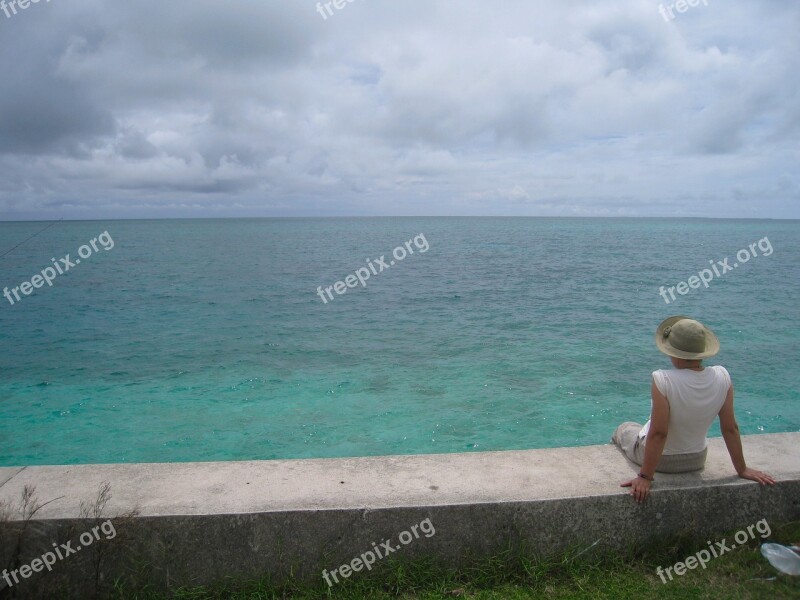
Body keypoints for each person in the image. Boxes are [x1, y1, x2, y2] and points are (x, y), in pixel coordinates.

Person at [612, 316, 775, 503]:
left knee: (624, 429)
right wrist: (742, 469)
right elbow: (730, 428)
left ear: (673, 352)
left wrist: (645, 477)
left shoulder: (662, 379)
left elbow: (659, 433)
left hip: (663, 462)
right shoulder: (723, 377)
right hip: (696, 459)